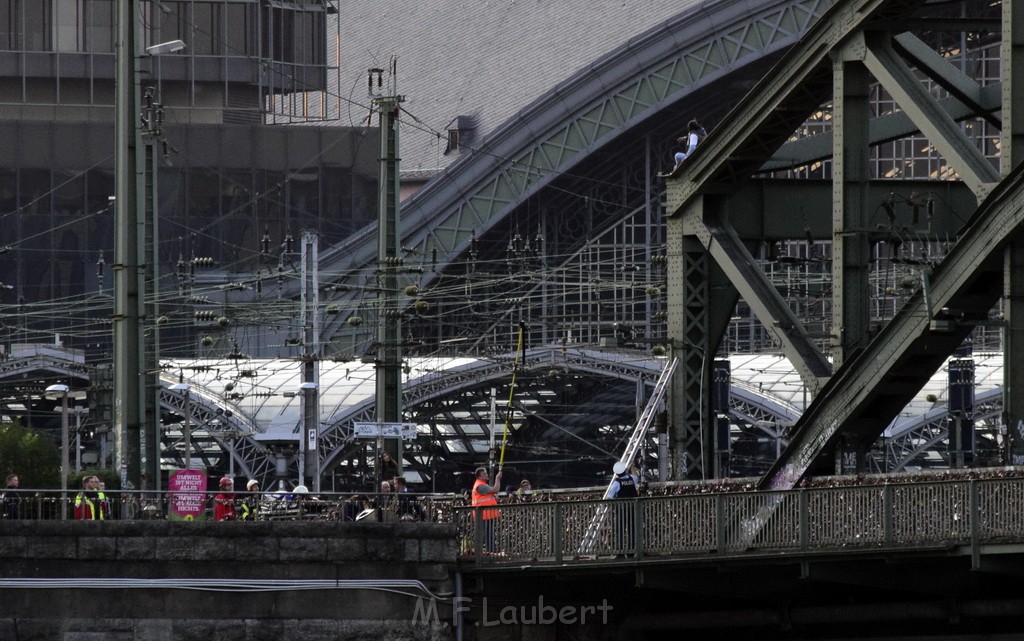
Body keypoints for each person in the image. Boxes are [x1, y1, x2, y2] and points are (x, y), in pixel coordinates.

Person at [608, 461, 639, 557]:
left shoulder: (616, 483)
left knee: (619, 530)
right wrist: (632, 466)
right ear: (625, 471)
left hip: (621, 510)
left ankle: (620, 553)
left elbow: (609, 497)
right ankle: (631, 552)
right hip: (633, 509)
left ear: (616, 473)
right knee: (632, 530)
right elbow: (635, 475)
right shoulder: (632, 479)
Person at [471, 467, 502, 554]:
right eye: (484, 474)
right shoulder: (480, 485)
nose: (487, 474)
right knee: (488, 533)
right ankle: (490, 551)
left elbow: (490, 494)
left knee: (488, 533)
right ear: (479, 477)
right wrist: (497, 478)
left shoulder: (482, 484)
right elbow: (496, 489)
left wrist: (494, 498)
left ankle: (489, 550)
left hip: (485, 514)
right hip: (484, 514)